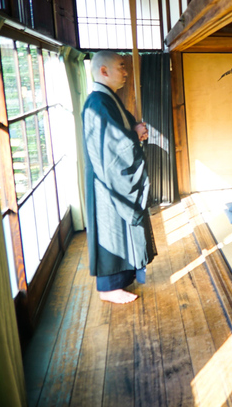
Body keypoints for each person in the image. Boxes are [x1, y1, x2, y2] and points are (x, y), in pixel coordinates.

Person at [82, 51, 155, 304]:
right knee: (112, 231)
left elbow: (123, 132)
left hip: (111, 180)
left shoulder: (107, 100)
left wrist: (136, 131)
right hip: (108, 184)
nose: (126, 72)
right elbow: (114, 148)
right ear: (104, 71)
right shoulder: (99, 104)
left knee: (120, 231)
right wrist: (134, 136)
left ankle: (120, 282)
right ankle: (109, 288)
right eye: (122, 67)